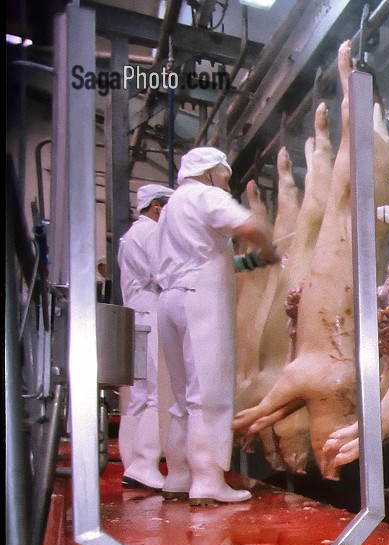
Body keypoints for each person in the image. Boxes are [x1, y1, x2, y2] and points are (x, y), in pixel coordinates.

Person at [152, 147, 277, 504]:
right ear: (209, 172)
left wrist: (251, 262)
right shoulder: (206, 195)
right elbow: (250, 226)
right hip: (200, 299)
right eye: (224, 175)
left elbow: (206, 254)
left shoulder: (172, 206)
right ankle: (208, 481)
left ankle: (179, 475)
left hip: (170, 300)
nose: (227, 182)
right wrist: (267, 247)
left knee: (182, 398)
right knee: (209, 394)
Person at [115, 183, 173, 491]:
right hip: (150, 312)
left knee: (138, 396)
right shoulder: (150, 234)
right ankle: (145, 463)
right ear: (156, 207)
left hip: (135, 314)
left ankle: (132, 465)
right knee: (155, 392)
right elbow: (162, 275)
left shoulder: (129, 236)